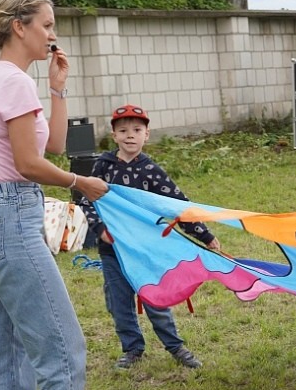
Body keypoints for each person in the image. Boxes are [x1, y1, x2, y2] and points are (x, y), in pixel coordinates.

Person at [0, 0, 133, 390]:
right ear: (20, 27)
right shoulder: (11, 81)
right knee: (61, 342)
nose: (53, 35)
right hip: (10, 216)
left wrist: (57, 88)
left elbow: (53, 145)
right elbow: (28, 164)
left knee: (0, 345)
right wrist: (83, 182)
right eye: (47, 25)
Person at [79, 103, 222, 370]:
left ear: (147, 134)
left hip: (147, 250)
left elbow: (177, 205)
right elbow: (86, 200)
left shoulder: (152, 171)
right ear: (114, 136)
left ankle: (175, 346)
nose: (130, 135)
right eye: (123, 130)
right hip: (114, 251)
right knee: (119, 303)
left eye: (136, 129)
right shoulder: (103, 167)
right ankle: (132, 348)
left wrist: (204, 235)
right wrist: (100, 230)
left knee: (155, 298)